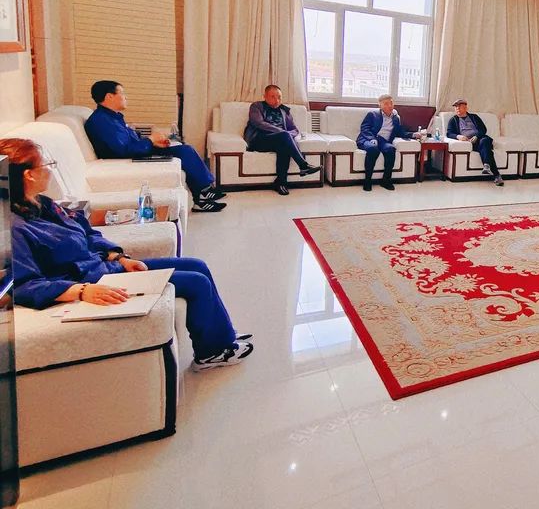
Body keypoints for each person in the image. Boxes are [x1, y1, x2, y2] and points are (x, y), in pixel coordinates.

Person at [1, 138, 253, 370]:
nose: (50, 170)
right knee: (196, 283)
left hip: (107, 268)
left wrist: (119, 257)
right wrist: (81, 290)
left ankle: (223, 335)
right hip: (95, 282)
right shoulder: (16, 228)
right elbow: (24, 285)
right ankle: (211, 353)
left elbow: (87, 232)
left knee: (197, 265)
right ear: (28, 175)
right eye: (47, 165)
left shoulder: (43, 204)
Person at [84, 80, 226, 213]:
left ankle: (203, 192)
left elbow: (129, 141)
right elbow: (123, 150)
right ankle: (203, 193)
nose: (126, 97)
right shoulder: (101, 121)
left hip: (135, 151)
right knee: (184, 151)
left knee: (181, 147)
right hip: (128, 158)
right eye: (122, 93)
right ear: (109, 96)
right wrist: (150, 140)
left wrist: (153, 142)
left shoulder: (112, 117)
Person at [243, 85, 323, 196]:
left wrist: (287, 135)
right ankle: (303, 165)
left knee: (284, 145)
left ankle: (281, 183)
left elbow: (294, 130)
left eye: (279, 97)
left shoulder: (284, 111)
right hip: (258, 140)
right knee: (284, 137)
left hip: (278, 140)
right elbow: (258, 123)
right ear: (265, 96)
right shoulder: (257, 106)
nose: (277, 100)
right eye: (273, 97)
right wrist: (283, 132)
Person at [356, 95, 421, 192]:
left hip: (383, 141)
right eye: (386, 104)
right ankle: (367, 180)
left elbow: (399, 132)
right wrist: (372, 139)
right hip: (367, 139)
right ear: (380, 105)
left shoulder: (395, 118)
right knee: (373, 149)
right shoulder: (372, 114)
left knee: (391, 149)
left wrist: (413, 135)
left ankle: (386, 180)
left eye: (391, 103)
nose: (390, 106)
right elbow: (364, 128)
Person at [446, 99, 503, 187]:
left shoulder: (474, 117)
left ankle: (488, 167)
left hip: (480, 139)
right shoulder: (453, 120)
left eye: (459, 107)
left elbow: (483, 129)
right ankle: (494, 173)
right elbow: (449, 133)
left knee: (484, 142)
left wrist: (477, 136)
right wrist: (459, 136)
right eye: (456, 107)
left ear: (466, 108)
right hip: (470, 143)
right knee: (487, 151)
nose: (457, 109)